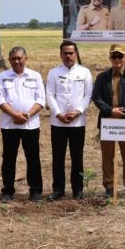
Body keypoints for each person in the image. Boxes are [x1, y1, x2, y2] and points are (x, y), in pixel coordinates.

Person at [92, 44, 125, 197]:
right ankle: (109, 186)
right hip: (107, 121)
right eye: (114, 56)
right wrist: (110, 110)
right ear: (110, 58)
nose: (117, 59)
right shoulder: (102, 78)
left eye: (119, 56)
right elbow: (97, 97)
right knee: (107, 156)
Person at [0, 46, 45, 203]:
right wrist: (15, 115)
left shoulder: (35, 76)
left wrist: (27, 115)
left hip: (30, 124)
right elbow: (0, 100)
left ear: (25, 58)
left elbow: (41, 100)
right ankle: (7, 191)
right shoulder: (2, 76)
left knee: (33, 157)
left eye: (19, 58)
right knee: (9, 158)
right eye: (13, 59)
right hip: (9, 125)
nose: (17, 61)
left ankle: (35, 191)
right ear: (9, 60)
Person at [46, 40, 93, 200]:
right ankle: (58, 190)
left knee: (77, 156)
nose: (68, 56)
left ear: (76, 54)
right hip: (57, 122)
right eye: (65, 53)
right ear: (60, 54)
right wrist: (58, 113)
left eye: (71, 53)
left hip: (77, 122)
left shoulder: (85, 72)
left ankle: (78, 189)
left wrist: (78, 112)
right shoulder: (53, 73)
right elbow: (50, 95)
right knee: (58, 157)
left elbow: (88, 95)